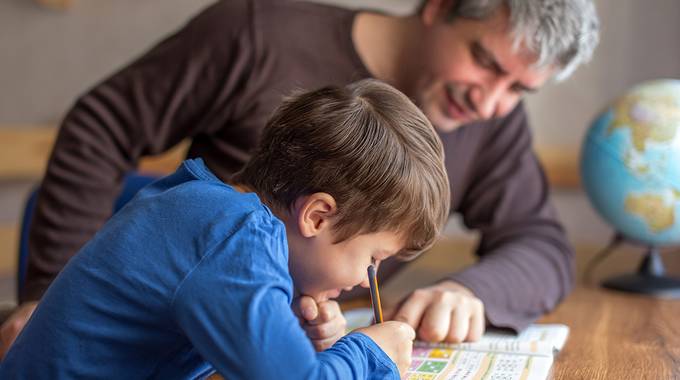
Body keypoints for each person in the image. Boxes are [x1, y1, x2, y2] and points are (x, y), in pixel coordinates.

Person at [1, 0, 600, 356]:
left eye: (520, 88)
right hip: (175, 336)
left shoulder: (492, 119)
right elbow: (101, 126)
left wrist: (471, 291)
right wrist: (48, 295)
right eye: (486, 62)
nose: (493, 101)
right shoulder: (255, 32)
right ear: (438, 7)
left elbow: (540, 242)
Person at [0, 80, 451, 378]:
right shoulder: (238, 237)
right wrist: (366, 354)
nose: (363, 279)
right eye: (372, 261)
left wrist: (293, 328)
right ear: (316, 216)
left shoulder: (204, 205)